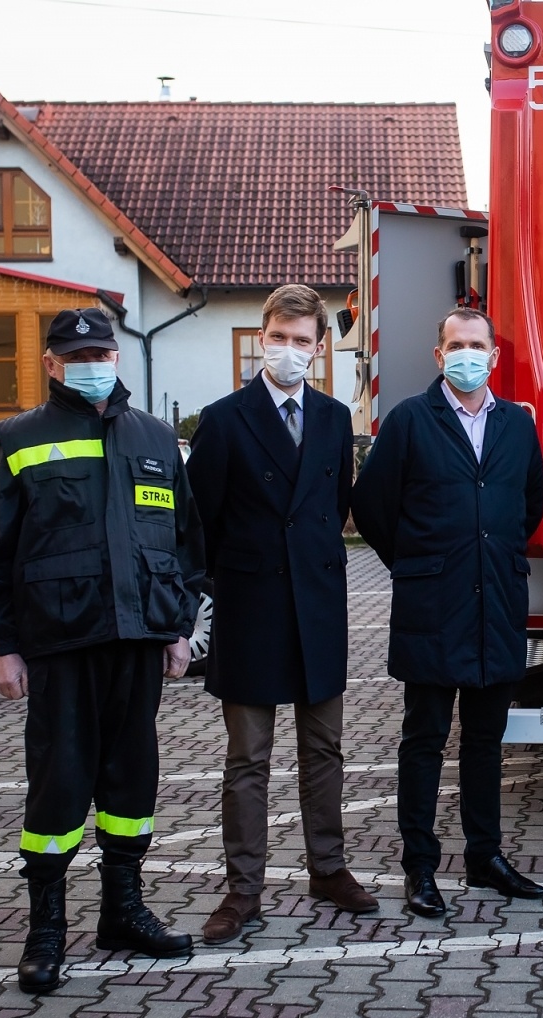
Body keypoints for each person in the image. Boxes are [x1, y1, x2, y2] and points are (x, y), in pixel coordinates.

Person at [0, 306, 205, 994]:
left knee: (133, 782)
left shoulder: (157, 438)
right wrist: (2, 645)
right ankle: (46, 930)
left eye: (100, 353)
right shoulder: (18, 438)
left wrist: (179, 626)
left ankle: (122, 913)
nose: (90, 366)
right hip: (60, 642)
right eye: (75, 358)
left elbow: (183, 543)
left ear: (118, 357)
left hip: (138, 642)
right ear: (50, 365)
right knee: (59, 784)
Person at [184, 283, 378, 944]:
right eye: (280, 338)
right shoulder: (224, 418)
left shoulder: (331, 420)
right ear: (261, 338)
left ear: (320, 349)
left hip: (318, 606)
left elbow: (338, 511)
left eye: (303, 341)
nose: (290, 351)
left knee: (324, 748)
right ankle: (244, 891)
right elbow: (198, 525)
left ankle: (328, 866)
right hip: (250, 609)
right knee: (248, 759)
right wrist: (194, 609)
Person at [351, 307, 543, 918]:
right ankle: (420, 866)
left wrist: (492, 551)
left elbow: (530, 504)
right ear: (439, 356)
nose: (467, 354)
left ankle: (486, 857)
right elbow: (373, 506)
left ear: (494, 357)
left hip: (497, 604)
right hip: (433, 604)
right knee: (424, 739)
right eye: (455, 345)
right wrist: (418, 564)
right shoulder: (411, 419)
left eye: (477, 345)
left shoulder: (517, 424)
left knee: (486, 741)